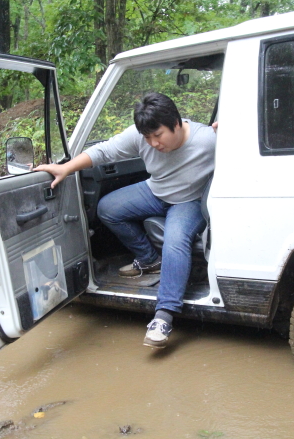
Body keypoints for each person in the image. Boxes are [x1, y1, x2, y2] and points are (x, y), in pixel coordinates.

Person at [34, 92, 217, 348]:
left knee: (175, 240)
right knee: (108, 208)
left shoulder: (208, 140)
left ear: (176, 122)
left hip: (188, 201)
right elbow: (105, 151)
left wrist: (232, 129)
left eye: (158, 135)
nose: (153, 143)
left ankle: (164, 316)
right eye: (147, 137)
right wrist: (66, 168)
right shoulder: (141, 135)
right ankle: (149, 260)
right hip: (156, 190)